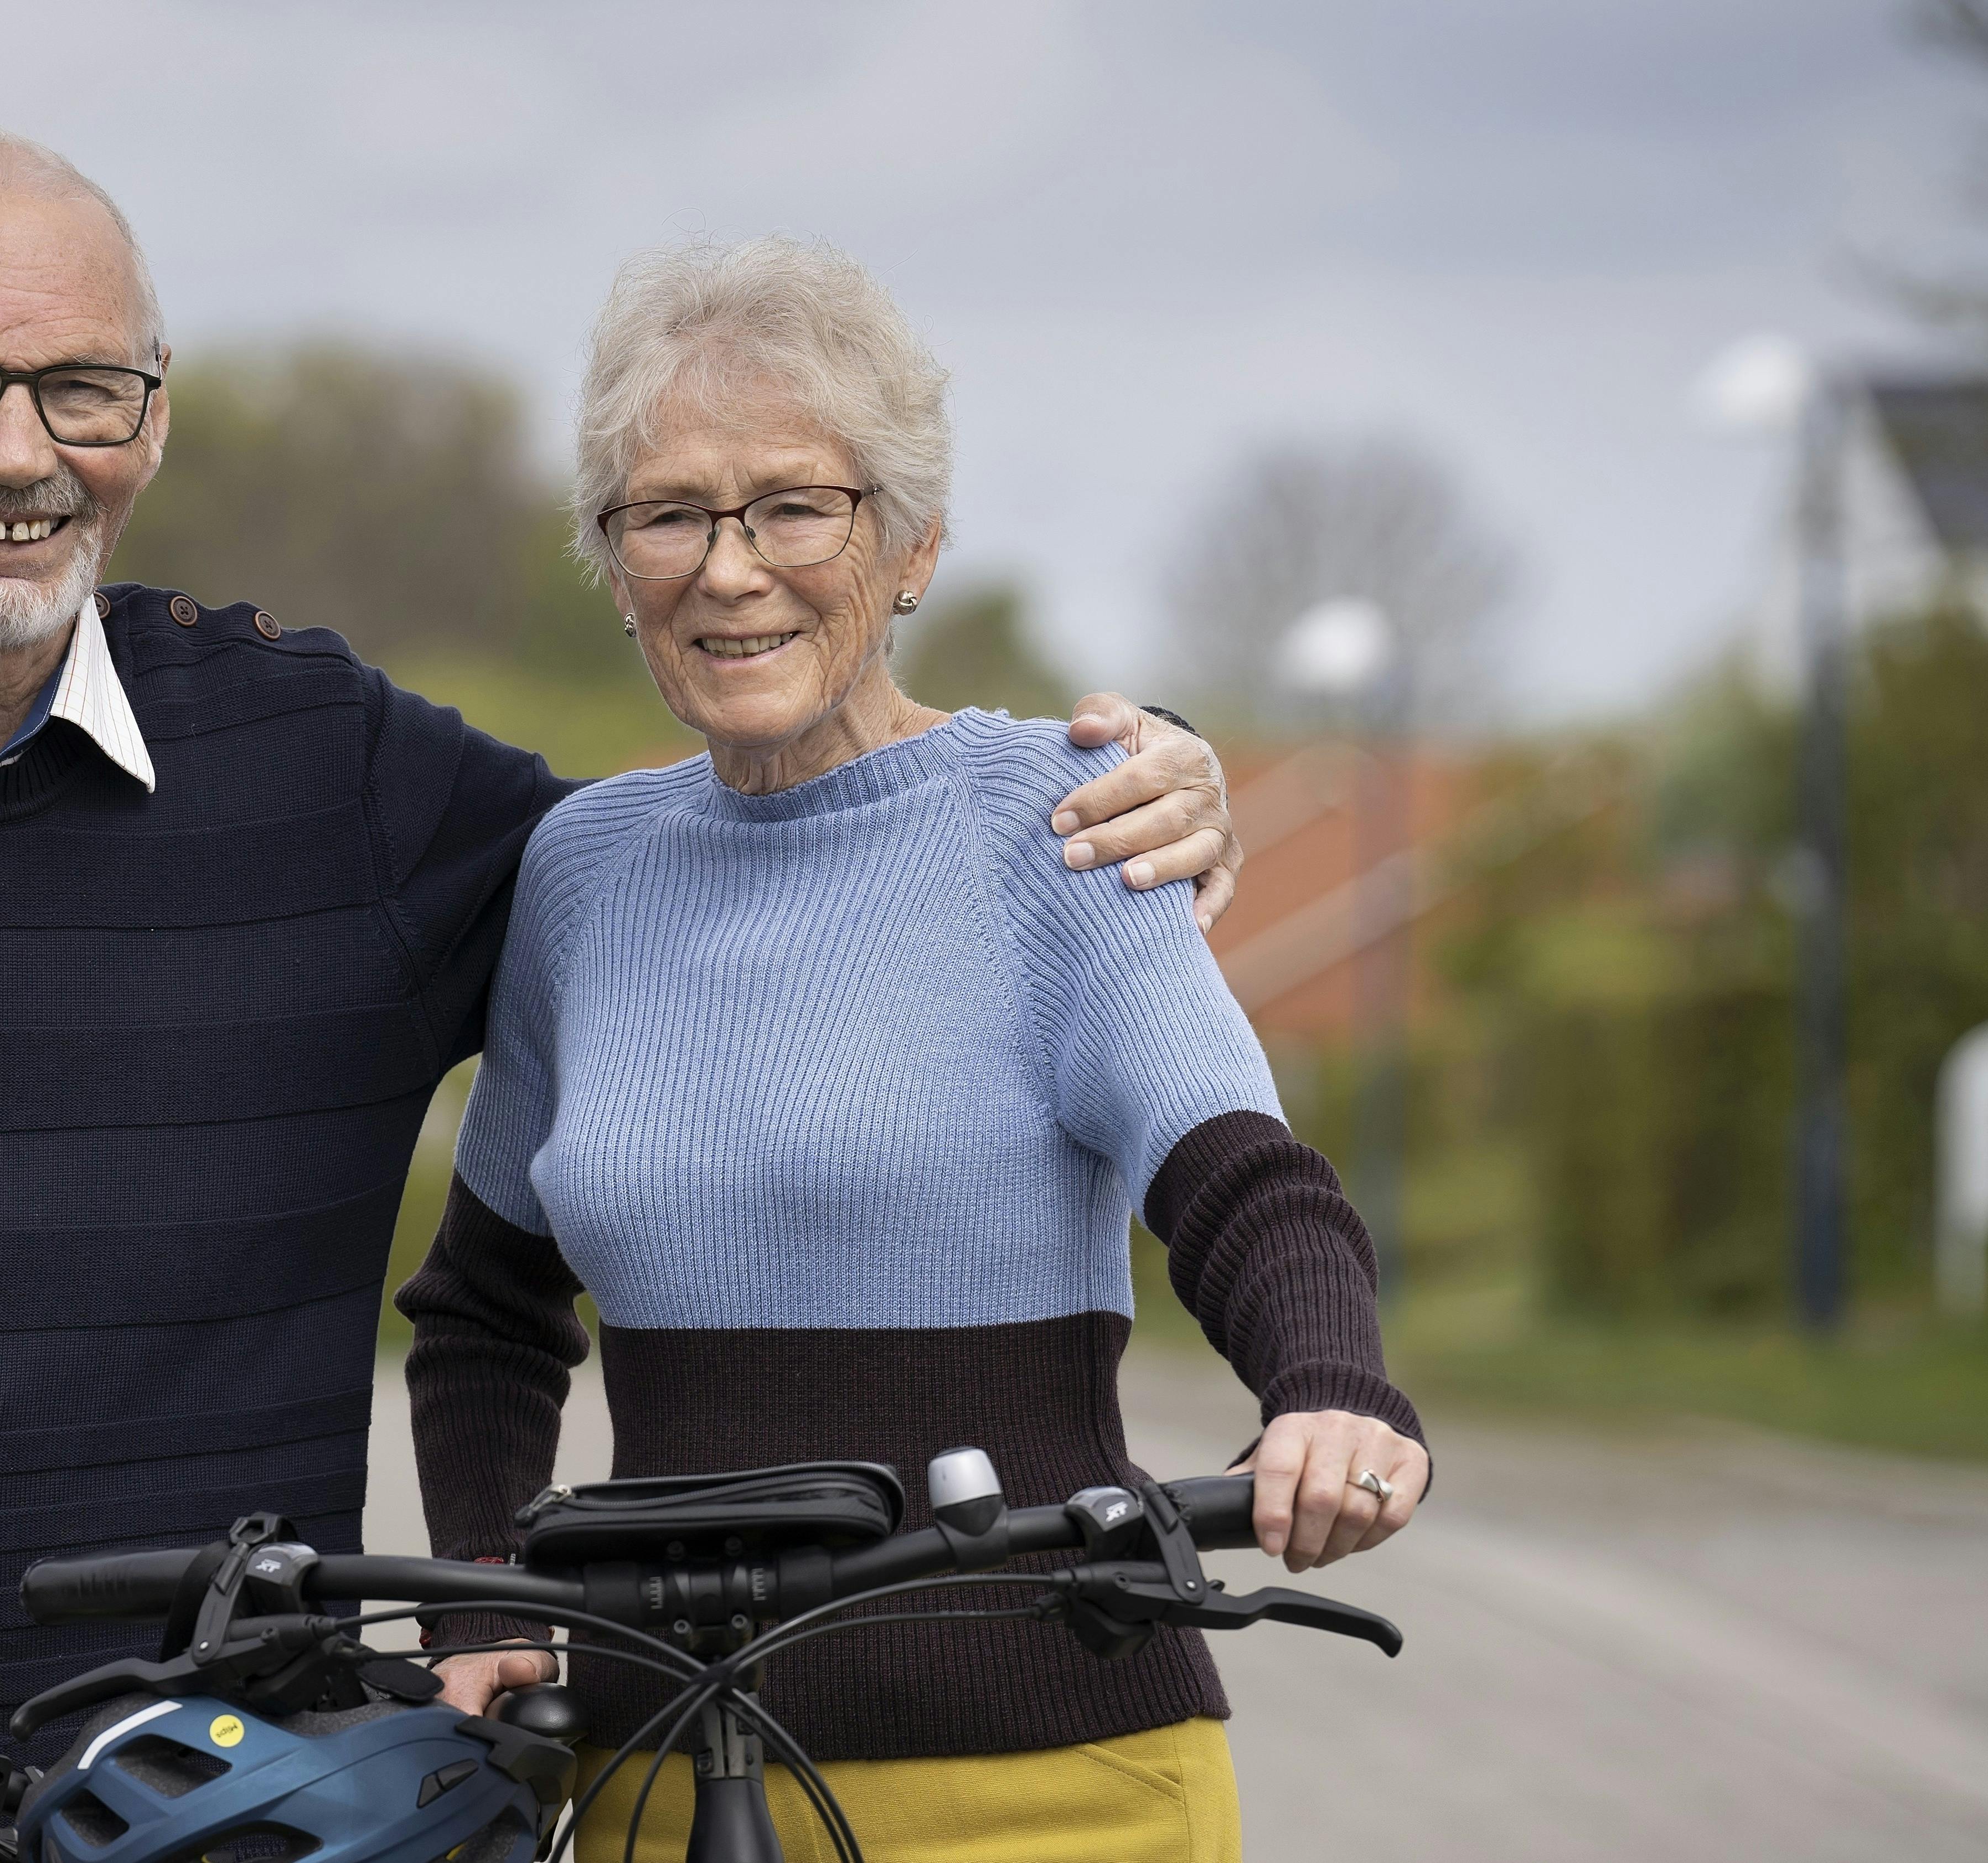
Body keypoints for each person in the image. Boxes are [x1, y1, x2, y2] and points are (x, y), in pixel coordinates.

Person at [0, 133, 1244, 1815]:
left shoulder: (334, 774)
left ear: (156, 415)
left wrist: (1099, 786)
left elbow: (765, 853)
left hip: (233, 1803)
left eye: (83, 391)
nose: (17, 456)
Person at [399, 236, 1428, 1863]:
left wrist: (1329, 1389)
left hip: (1055, 1780)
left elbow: (1242, 1178)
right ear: (615, 566)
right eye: (668, 513)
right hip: (660, 1773)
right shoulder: (581, 874)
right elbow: (485, 1311)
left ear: (915, 546)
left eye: (797, 505)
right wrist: (484, 1589)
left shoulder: (1061, 825)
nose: (730, 568)